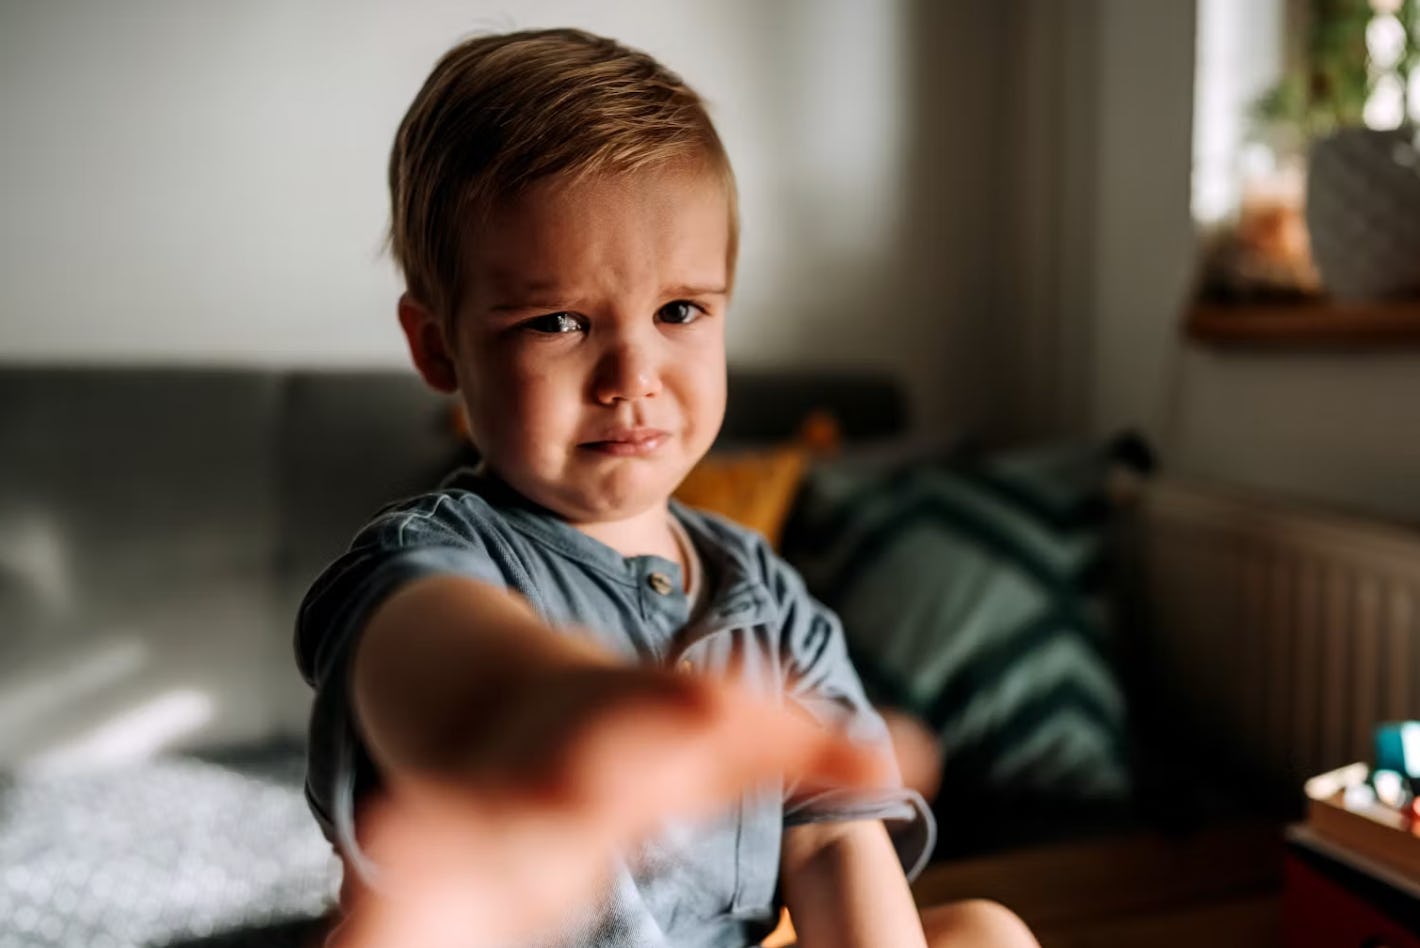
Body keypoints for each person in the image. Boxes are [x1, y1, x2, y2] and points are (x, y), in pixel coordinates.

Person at [295, 26, 1039, 948]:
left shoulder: (765, 599)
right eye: (559, 321)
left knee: (986, 933)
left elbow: (835, 848)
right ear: (438, 346)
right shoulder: (436, 562)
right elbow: (429, 660)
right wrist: (550, 713)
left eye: (679, 310)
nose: (632, 374)